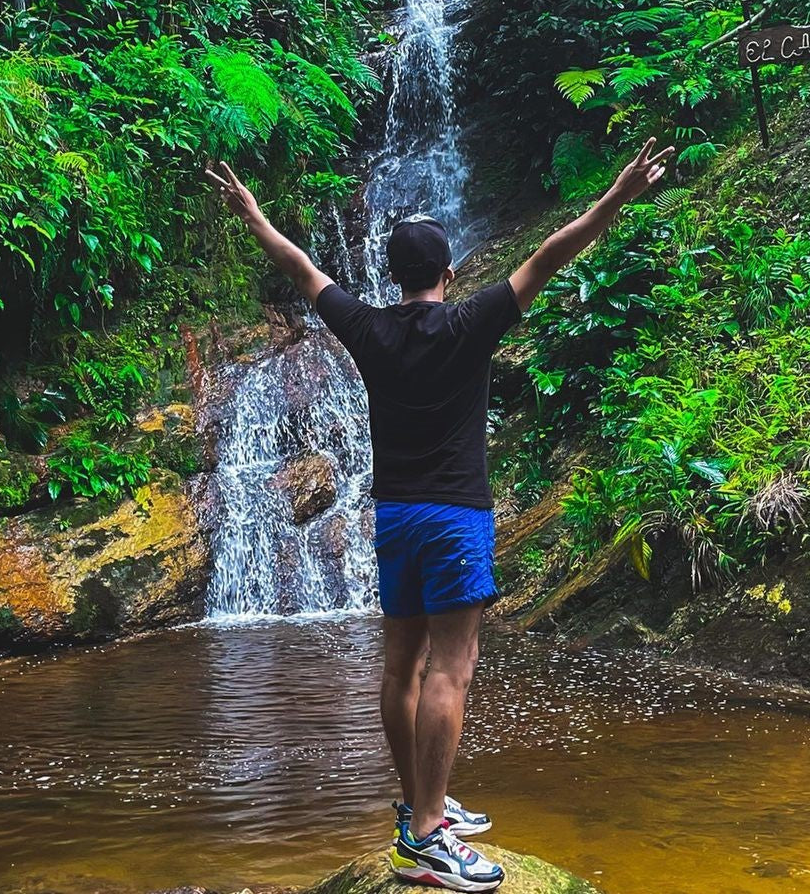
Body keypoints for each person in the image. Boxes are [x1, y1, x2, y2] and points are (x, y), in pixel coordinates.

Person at [206, 136, 671, 891]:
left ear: (391, 277)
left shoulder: (366, 326)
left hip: (392, 518)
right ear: (449, 275)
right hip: (455, 515)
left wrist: (256, 217)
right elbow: (551, 255)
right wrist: (617, 197)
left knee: (401, 667)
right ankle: (426, 835)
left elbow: (301, 269)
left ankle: (419, 805)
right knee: (452, 669)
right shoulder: (471, 322)